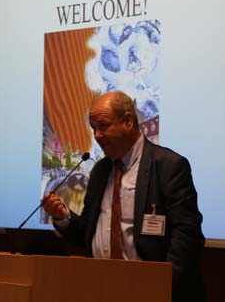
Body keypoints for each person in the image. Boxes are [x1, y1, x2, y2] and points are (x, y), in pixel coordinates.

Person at [42, 91, 205, 302]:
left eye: (103, 126)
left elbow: (188, 235)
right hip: (102, 287)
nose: (97, 135)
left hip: (151, 292)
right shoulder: (101, 171)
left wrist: (163, 286)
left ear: (128, 121)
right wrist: (63, 217)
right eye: (93, 128)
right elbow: (88, 233)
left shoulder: (168, 166)